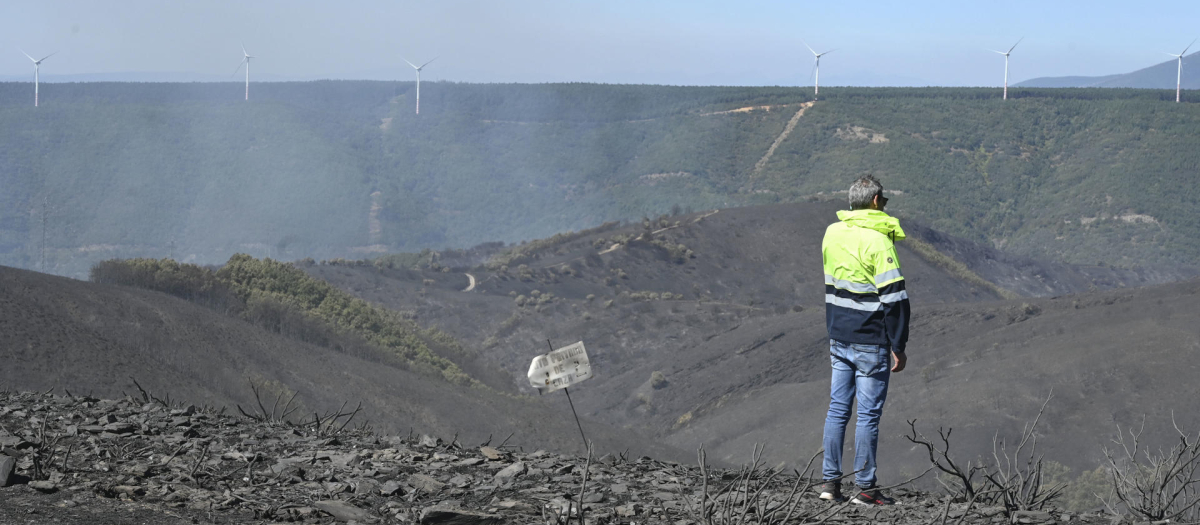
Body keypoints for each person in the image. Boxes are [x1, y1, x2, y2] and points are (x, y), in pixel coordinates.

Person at [817, 175, 909, 505]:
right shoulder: (878, 242)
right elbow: (895, 298)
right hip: (870, 338)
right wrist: (898, 345)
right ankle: (866, 488)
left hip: (838, 334)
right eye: (884, 201)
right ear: (874, 201)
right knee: (868, 415)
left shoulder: (832, 233)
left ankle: (830, 484)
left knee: (837, 410)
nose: (885, 206)